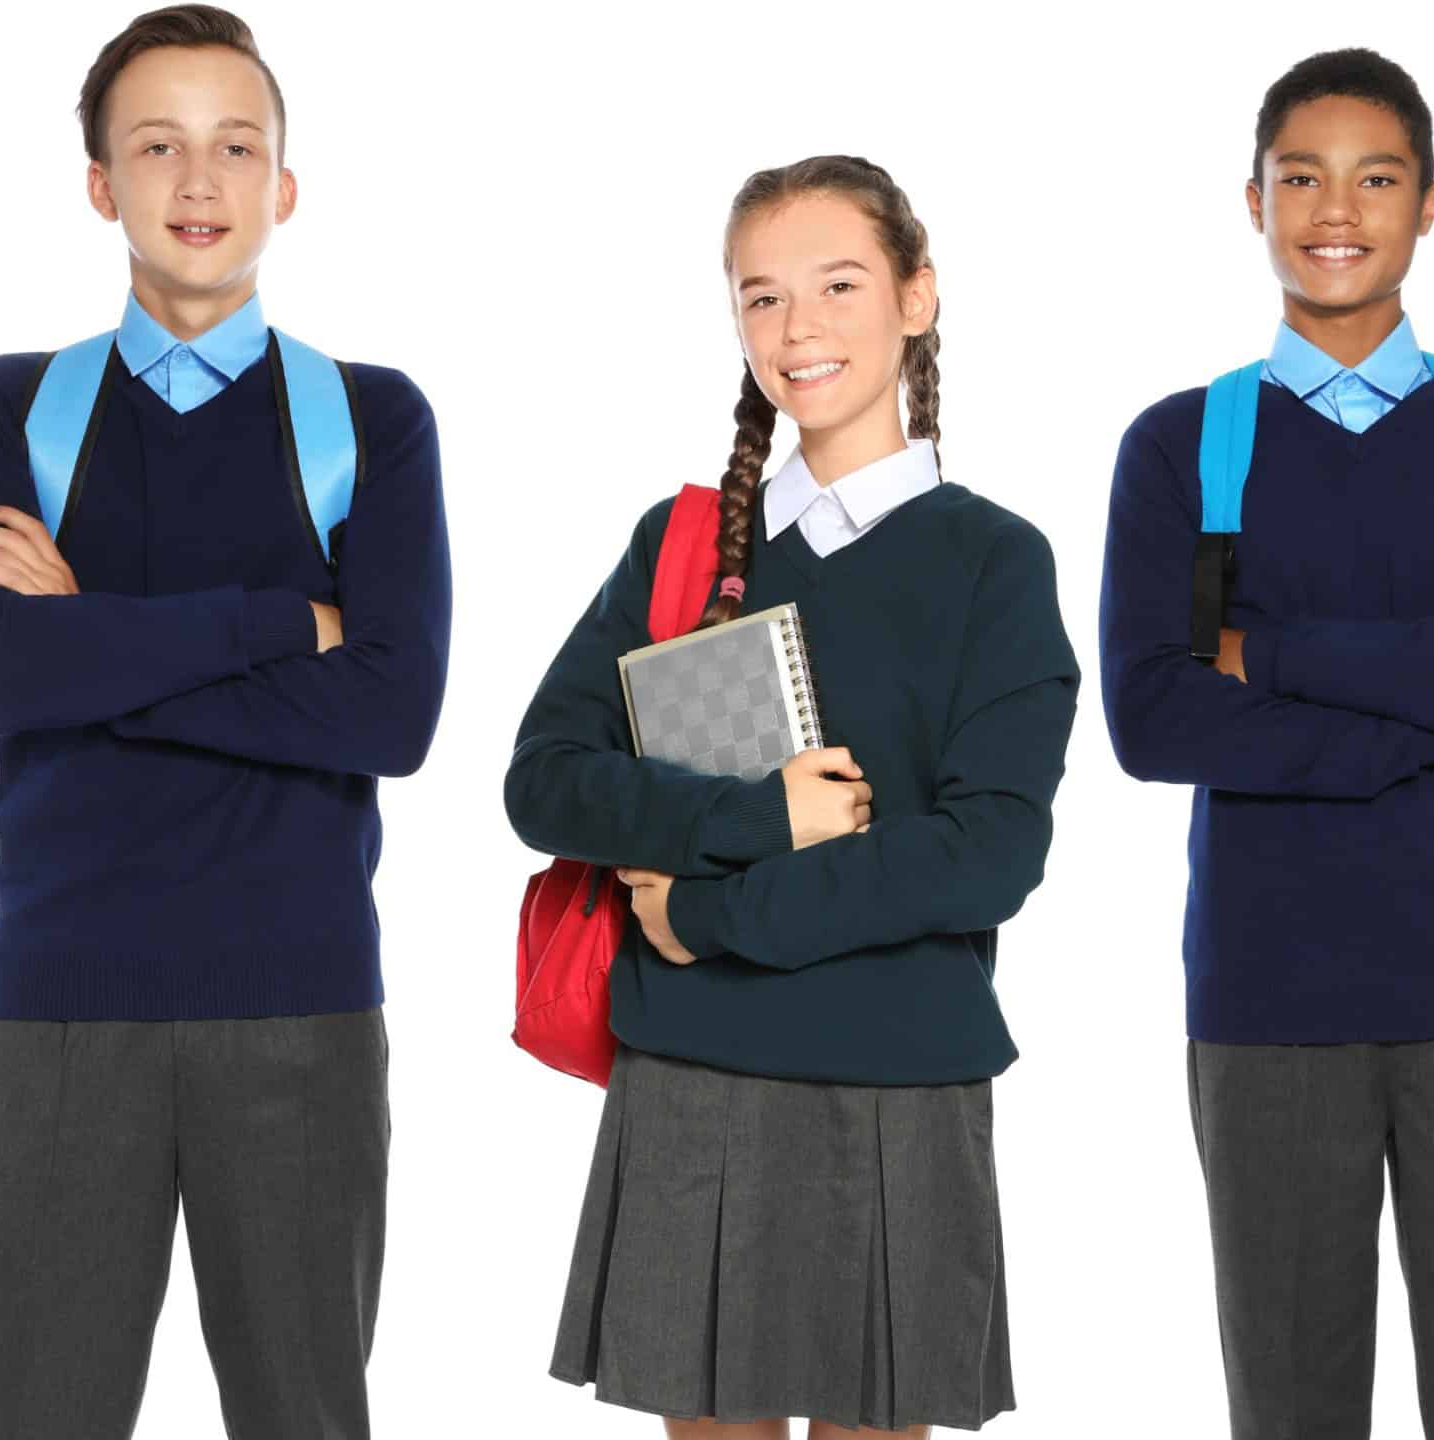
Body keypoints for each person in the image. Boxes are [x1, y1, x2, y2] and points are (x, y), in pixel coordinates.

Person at [0, 7, 450, 1436]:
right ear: (102, 181)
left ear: (286, 186)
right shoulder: (13, 407)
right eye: (158, 146)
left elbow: (394, 708)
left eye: (237, 148)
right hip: (58, 1009)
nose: (199, 182)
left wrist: (86, 625)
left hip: (300, 1009)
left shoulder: (373, 419)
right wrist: (287, 618)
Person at [505, 155, 1077, 1437]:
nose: (797, 327)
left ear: (916, 299)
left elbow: (987, 855)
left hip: (896, 1084)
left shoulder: (995, 560)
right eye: (760, 298)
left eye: (837, 284)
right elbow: (545, 782)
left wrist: (710, 916)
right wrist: (757, 818)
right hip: (695, 1071)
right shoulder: (684, 541)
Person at [1098, 48, 1434, 1440]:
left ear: (1431, 203)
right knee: (1291, 1413)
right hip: (1268, 1002)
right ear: (1253, 200)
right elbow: (1151, 719)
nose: (1338, 208)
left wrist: (1264, 653)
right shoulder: (1179, 448)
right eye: (1302, 177)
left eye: (1376, 176)